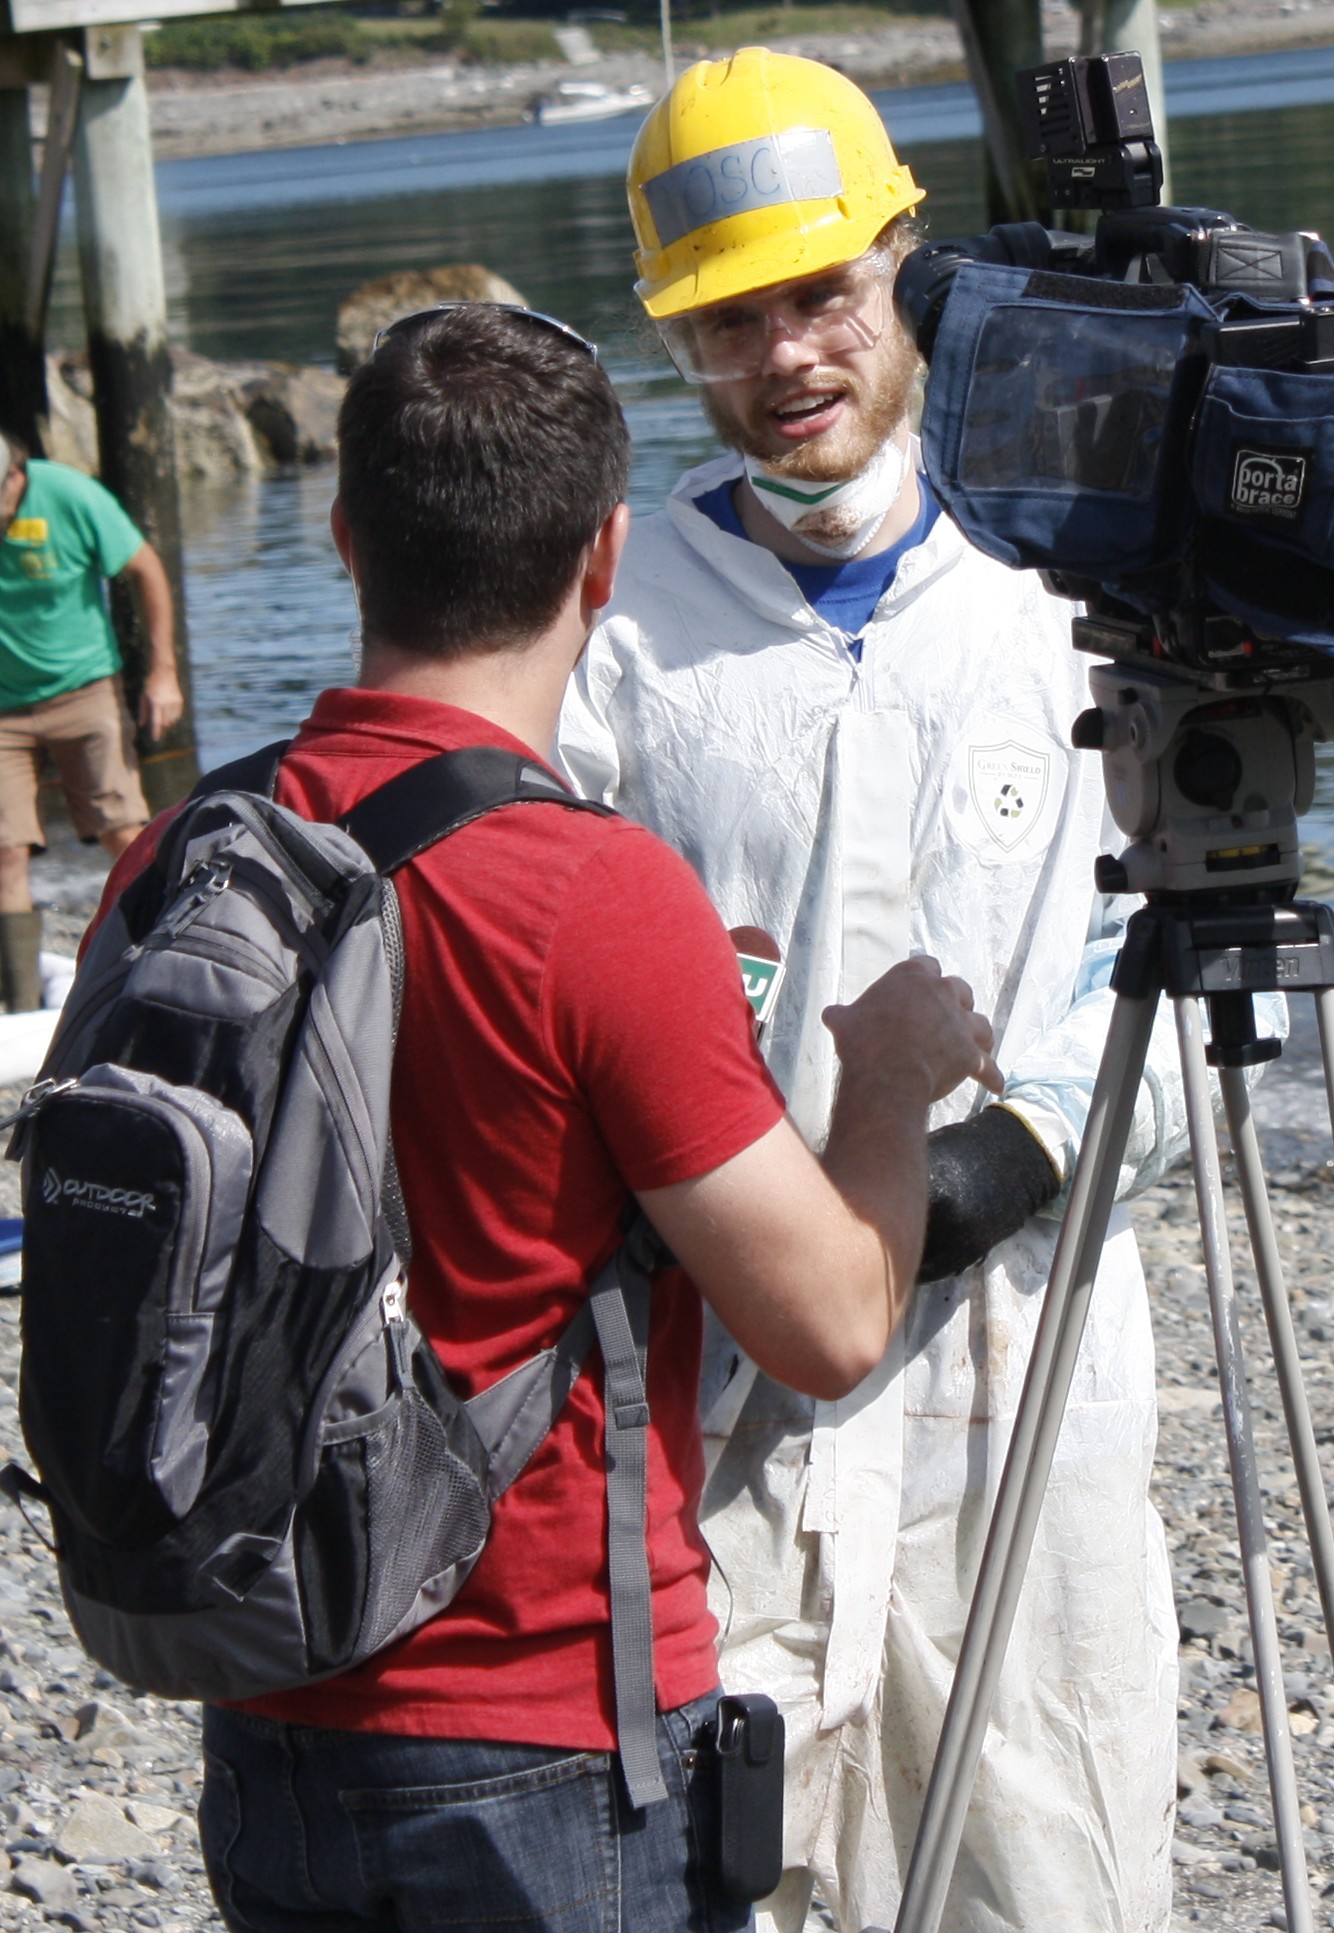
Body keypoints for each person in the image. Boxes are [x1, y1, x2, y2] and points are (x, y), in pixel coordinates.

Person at [91, 303, 1002, 1933]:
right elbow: (831, 1319)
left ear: (344, 533)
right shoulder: (596, 895)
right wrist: (887, 1072)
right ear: (605, 558)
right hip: (542, 1740)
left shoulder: (175, 861)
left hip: (266, 1719)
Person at [558, 50, 1280, 1933]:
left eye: (822, 295)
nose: (786, 355)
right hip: (739, 1349)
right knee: (759, 1853)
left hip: (1029, 1343)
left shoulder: (1073, 584)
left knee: (1052, 1850)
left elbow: (1192, 956)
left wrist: (1021, 1159)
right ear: (679, 340)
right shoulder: (622, 627)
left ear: (904, 263)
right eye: (730, 323)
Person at [0, 429, 183, 1011]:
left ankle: (171, 963)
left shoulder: (71, 496)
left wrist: (161, 671)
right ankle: (23, 1007)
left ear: (16, 477)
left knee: (123, 829)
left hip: (84, 692)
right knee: (4, 850)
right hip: (3, 707)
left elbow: (146, 570)